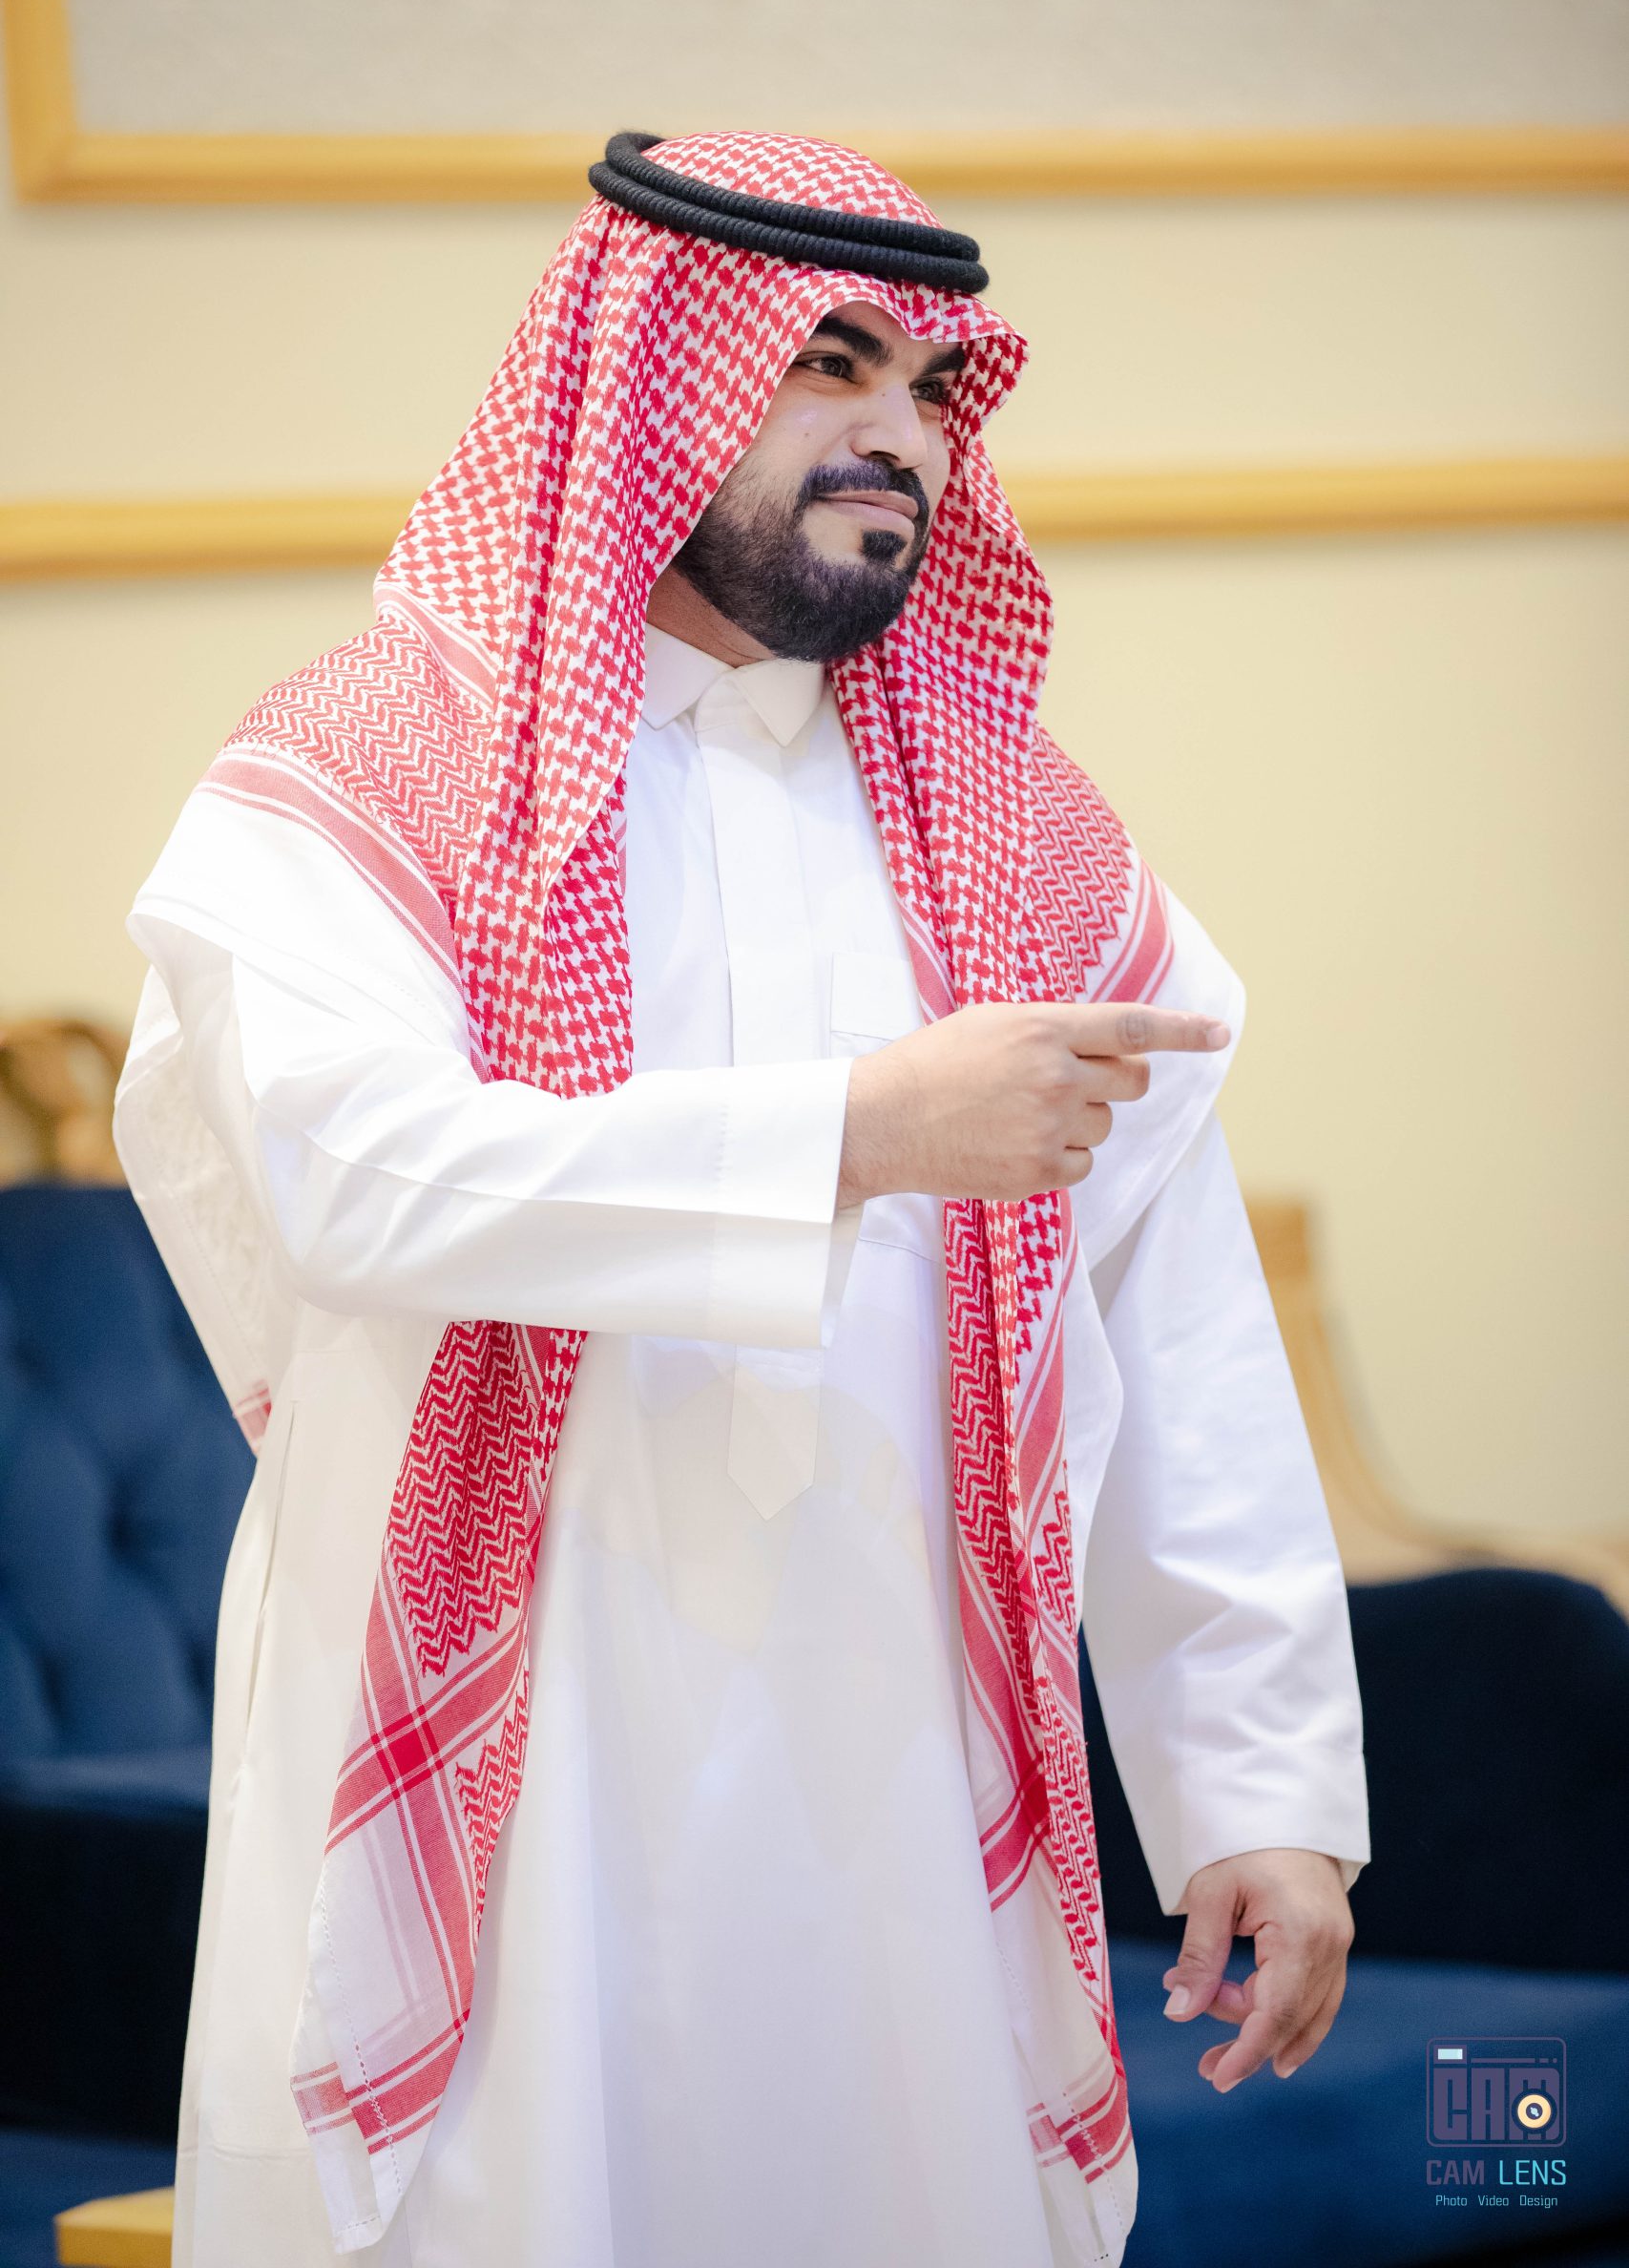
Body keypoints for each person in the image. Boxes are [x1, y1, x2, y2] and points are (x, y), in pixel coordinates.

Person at [113, 131, 1369, 2268]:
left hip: (889, 1762)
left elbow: (1171, 1317)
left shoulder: (1013, 830)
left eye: (934, 388)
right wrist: (854, 1131)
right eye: (828, 365)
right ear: (643, 383)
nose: (902, 436)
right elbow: (352, 1174)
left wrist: (1255, 1783)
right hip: (515, 1747)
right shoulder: (369, 769)